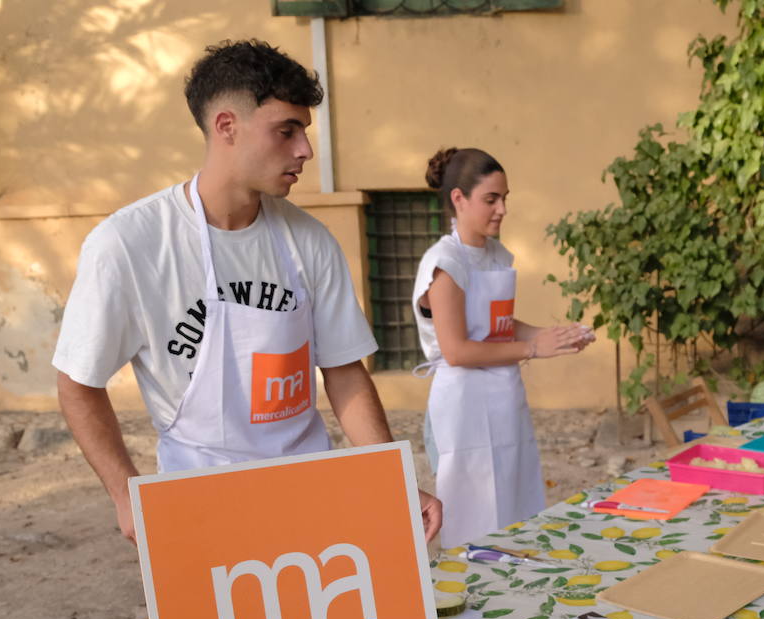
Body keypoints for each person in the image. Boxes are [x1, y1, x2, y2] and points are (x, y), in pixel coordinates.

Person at [53, 39, 440, 543]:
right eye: (287, 130)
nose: (305, 149)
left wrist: (396, 479)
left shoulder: (309, 240)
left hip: (312, 490)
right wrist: (126, 493)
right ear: (227, 127)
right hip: (197, 503)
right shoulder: (129, 244)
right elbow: (78, 382)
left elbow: (344, 373)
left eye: (304, 130)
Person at [411, 147, 593, 547]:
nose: (502, 209)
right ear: (458, 199)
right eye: (491, 199)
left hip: (503, 398)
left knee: (513, 498)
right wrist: (532, 350)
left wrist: (553, 337)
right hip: (463, 406)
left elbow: (499, 327)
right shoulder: (445, 262)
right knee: (471, 515)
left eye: (505, 198)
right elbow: (457, 349)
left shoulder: (495, 255)